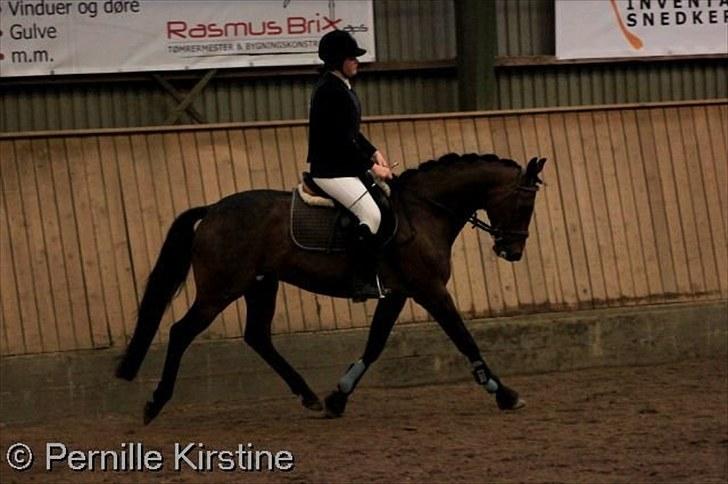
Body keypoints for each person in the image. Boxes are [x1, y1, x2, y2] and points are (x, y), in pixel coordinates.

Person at [307, 29, 393, 300]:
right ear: (337, 61)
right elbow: (340, 142)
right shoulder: (330, 91)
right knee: (371, 215)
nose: (356, 62)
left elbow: (351, 133)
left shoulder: (340, 86)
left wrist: (374, 151)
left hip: (342, 166)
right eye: (351, 58)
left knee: (382, 203)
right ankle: (358, 281)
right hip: (330, 171)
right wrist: (370, 167)